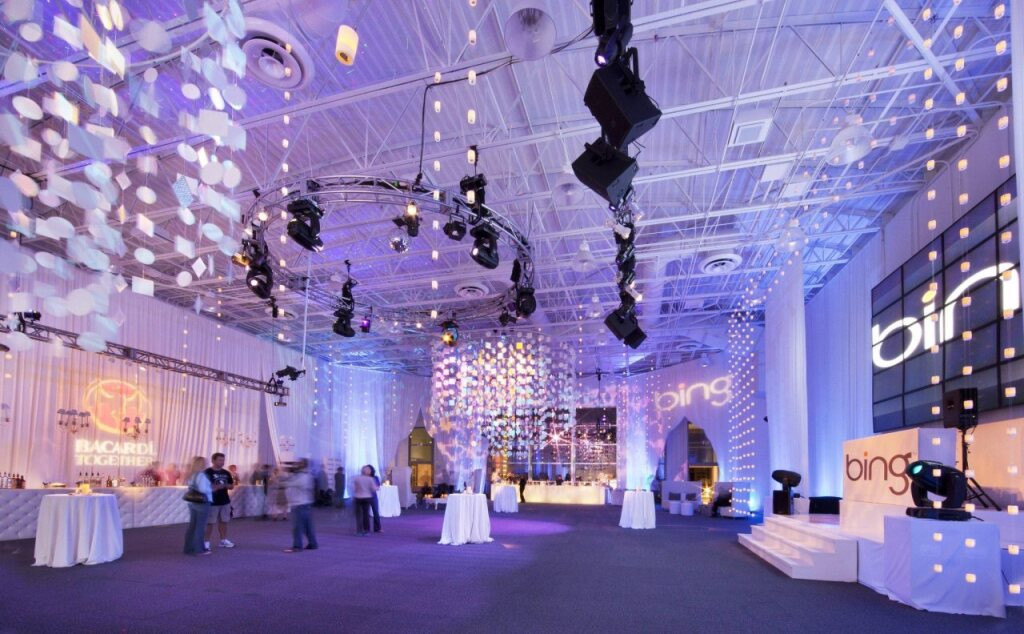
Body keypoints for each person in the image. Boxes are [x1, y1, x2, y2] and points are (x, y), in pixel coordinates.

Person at [283, 459, 318, 552]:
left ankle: (297, 546)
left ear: (304, 465)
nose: (296, 465)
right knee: (307, 527)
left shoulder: (303, 476)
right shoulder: (302, 475)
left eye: (299, 463)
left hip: (300, 504)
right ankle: (313, 544)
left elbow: (291, 483)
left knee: (297, 527)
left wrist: (282, 482)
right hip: (303, 504)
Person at [204, 453, 235, 549]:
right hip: (212, 502)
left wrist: (226, 485)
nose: (222, 462)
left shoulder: (226, 473)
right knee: (210, 523)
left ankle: (223, 540)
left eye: (223, 460)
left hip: (225, 501)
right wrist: (213, 488)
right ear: (213, 460)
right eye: (220, 460)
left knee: (224, 521)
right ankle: (206, 542)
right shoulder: (207, 472)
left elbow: (231, 486)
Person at [183, 456, 212, 556]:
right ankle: (199, 549)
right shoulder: (202, 475)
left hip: (192, 502)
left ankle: (188, 548)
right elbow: (203, 489)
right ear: (201, 464)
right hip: (202, 502)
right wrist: (211, 488)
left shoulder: (191, 474)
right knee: (200, 527)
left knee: (192, 526)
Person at [352, 465, 378, 536]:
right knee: (365, 514)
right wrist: (378, 488)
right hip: (367, 498)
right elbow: (373, 489)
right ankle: (366, 530)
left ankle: (359, 531)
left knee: (358, 515)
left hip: (358, 498)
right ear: (368, 472)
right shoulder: (370, 479)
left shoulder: (357, 478)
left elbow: (354, 489)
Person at [367, 465, 382, 533]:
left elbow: (378, 487)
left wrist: (373, 488)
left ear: (371, 470)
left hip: (373, 497)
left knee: (376, 512)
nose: (367, 471)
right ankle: (365, 528)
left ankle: (377, 528)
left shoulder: (375, 477)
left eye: (368, 469)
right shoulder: (364, 478)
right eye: (366, 469)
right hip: (365, 497)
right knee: (365, 513)